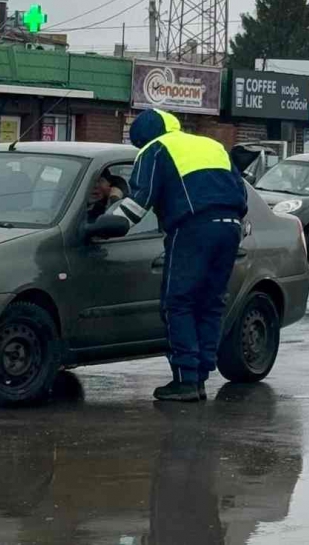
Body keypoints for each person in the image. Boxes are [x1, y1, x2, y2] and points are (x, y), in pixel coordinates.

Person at [110, 109, 249, 402]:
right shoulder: (210, 145)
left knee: (178, 302)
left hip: (193, 229)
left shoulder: (155, 150)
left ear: (142, 138)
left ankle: (184, 380)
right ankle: (199, 378)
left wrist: (107, 223)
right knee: (211, 303)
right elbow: (240, 190)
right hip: (231, 227)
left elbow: (139, 201)